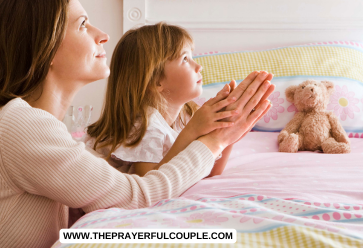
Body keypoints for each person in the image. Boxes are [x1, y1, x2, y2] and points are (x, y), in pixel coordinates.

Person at [0, 0, 274, 248]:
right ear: (43, 49)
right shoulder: (19, 125)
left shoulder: (22, 124)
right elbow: (140, 194)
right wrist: (214, 140)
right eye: (83, 25)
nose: (103, 35)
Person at [86, 23, 274, 177]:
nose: (198, 66)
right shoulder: (145, 126)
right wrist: (193, 131)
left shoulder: (184, 115)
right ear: (156, 81)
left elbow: (209, 172)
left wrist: (229, 131)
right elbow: (150, 185)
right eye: (185, 59)